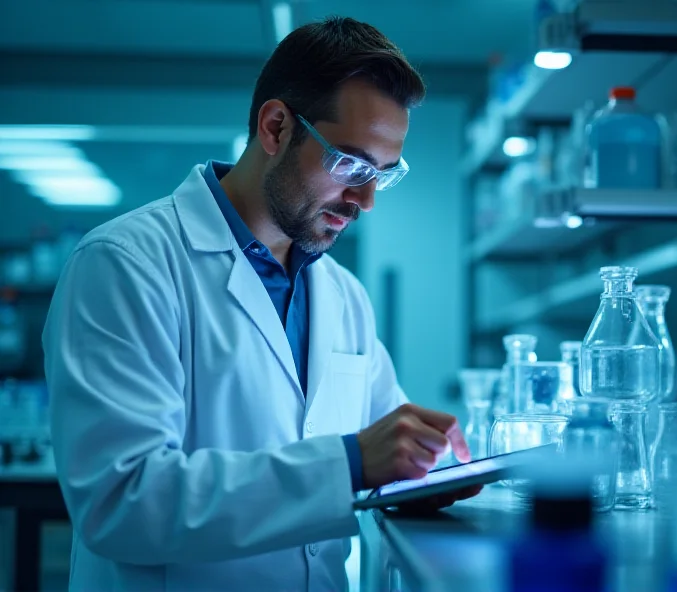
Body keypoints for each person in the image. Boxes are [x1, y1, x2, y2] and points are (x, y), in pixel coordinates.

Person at [42, 16, 479, 592]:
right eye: (350, 164)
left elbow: (387, 450)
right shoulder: (125, 264)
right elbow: (121, 502)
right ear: (275, 128)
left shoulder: (344, 296)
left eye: (382, 174)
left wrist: (437, 467)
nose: (365, 200)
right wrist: (349, 465)